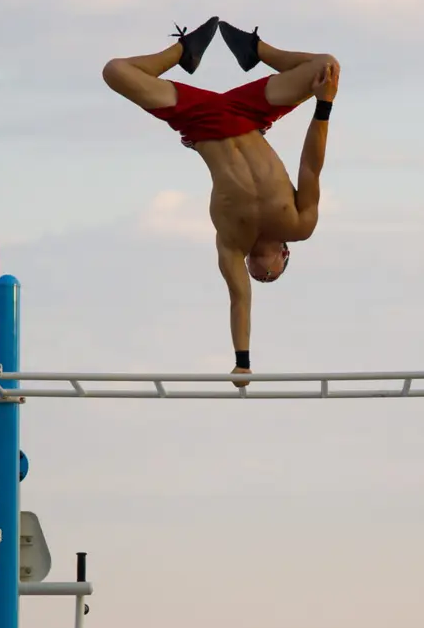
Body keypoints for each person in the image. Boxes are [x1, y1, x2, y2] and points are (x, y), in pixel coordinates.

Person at [102, 19, 340, 382]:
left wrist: (242, 362)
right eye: (270, 277)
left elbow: (239, 300)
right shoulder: (298, 225)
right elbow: (310, 168)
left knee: (115, 71)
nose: (259, 276)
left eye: (257, 278)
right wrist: (323, 107)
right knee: (327, 66)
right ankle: (256, 51)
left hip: (199, 123)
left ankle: (182, 53)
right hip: (249, 115)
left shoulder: (232, 243)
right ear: (284, 255)